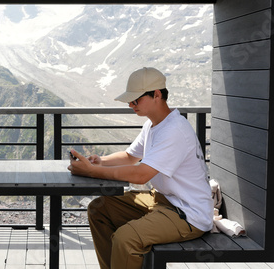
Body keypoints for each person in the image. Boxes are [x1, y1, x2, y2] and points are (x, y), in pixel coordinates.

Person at [68, 67, 214, 269]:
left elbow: (141, 174)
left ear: (157, 95)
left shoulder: (175, 130)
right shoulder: (153, 124)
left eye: (135, 99)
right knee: (99, 210)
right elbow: (130, 156)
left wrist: (92, 172)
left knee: (126, 239)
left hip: (187, 212)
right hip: (162, 199)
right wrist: (100, 162)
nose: (130, 104)